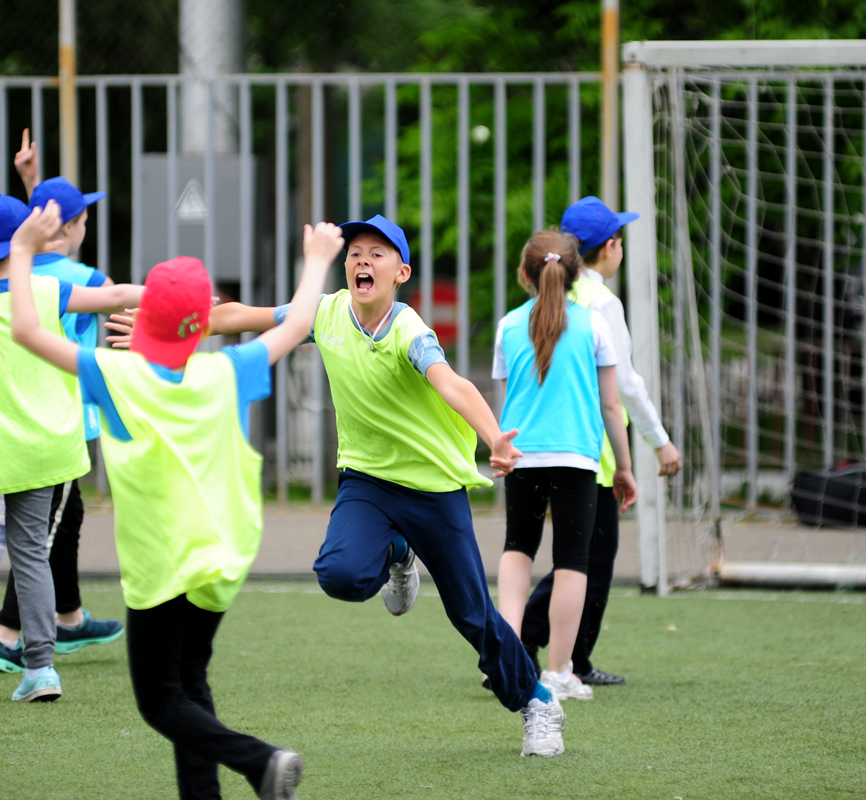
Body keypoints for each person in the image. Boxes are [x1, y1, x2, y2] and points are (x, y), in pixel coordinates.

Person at [156, 214, 569, 758]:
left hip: (432, 488)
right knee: (341, 575)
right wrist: (173, 327)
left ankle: (538, 701)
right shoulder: (325, 312)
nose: (362, 261)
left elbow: (453, 384)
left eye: (377, 254)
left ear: (401, 272)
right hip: (368, 480)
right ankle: (398, 551)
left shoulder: (409, 332)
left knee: (471, 613)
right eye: (354, 253)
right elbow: (240, 316)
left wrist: (494, 436)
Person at [9, 200, 338, 798]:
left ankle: (260, 760)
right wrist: (317, 260)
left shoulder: (116, 375)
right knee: (190, 682)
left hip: (163, 567)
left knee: (160, 700)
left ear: (142, 321)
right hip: (223, 560)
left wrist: (25, 250)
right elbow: (294, 327)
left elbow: (27, 331)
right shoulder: (225, 372)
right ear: (200, 324)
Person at [516, 197, 681, 688]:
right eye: (619, 239)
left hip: (536, 445)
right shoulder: (602, 304)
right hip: (593, 451)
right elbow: (623, 387)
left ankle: (537, 650)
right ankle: (552, 654)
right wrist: (660, 442)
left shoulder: (546, 297)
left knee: (544, 552)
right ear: (610, 247)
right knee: (586, 559)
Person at [0, 196, 143, 699]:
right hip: (45, 449)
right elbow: (116, 295)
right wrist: (177, 298)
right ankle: (41, 669)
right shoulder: (46, 290)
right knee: (31, 556)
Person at [494, 229, 638, 702]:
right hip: (577, 458)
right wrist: (623, 467)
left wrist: (501, 445)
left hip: (521, 455)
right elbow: (611, 406)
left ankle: (508, 660)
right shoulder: (594, 325)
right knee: (572, 561)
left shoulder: (508, 325)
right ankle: (559, 672)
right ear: (576, 274)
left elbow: (506, 400)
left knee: (517, 548)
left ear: (525, 273)